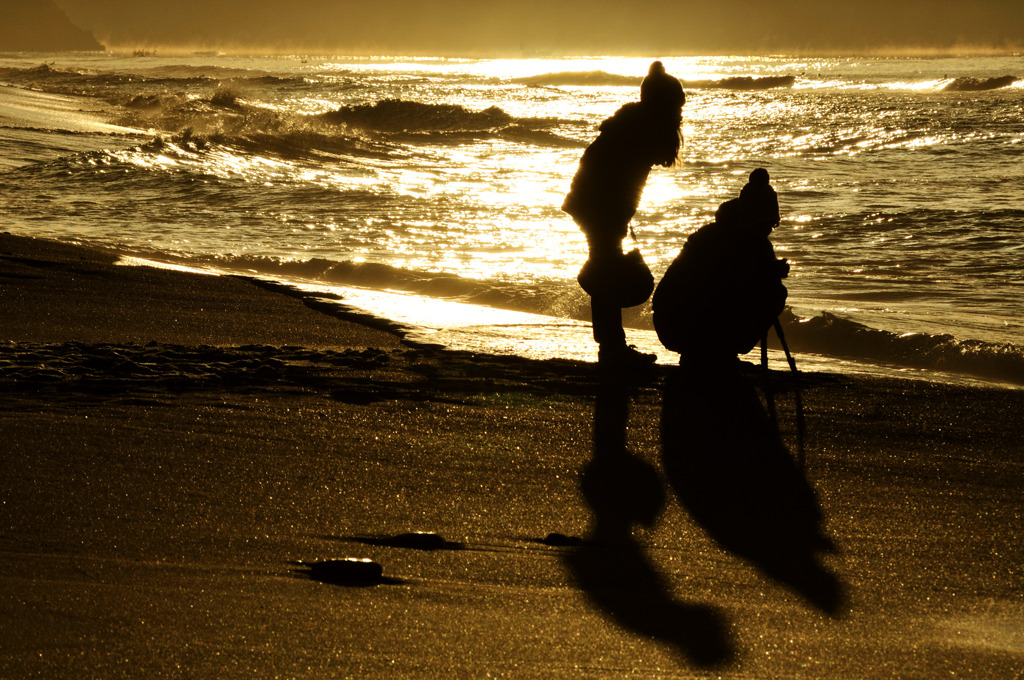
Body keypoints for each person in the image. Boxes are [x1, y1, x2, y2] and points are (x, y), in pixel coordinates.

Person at [562, 61, 685, 366]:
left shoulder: (636, 124)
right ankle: (612, 349)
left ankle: (612, 346)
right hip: (595, 203)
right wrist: (616, 216)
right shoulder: (640, 129)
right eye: (676, 108)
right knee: (608, 270)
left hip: (594, 202)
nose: (679, 115)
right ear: (662, 105)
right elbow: (613, 178)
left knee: (607, 268)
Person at [652, 168, 789, 362]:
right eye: (765, 224)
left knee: (766, 290)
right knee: (773, 293)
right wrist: (766, 272)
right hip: (681, 326)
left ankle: (719, 351)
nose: (768, 231)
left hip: (673, 323)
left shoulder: (717, 234)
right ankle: (719, 351)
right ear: (752, 220)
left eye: (772, 225)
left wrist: (767, 270)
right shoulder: (728, 240)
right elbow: (728, 283)